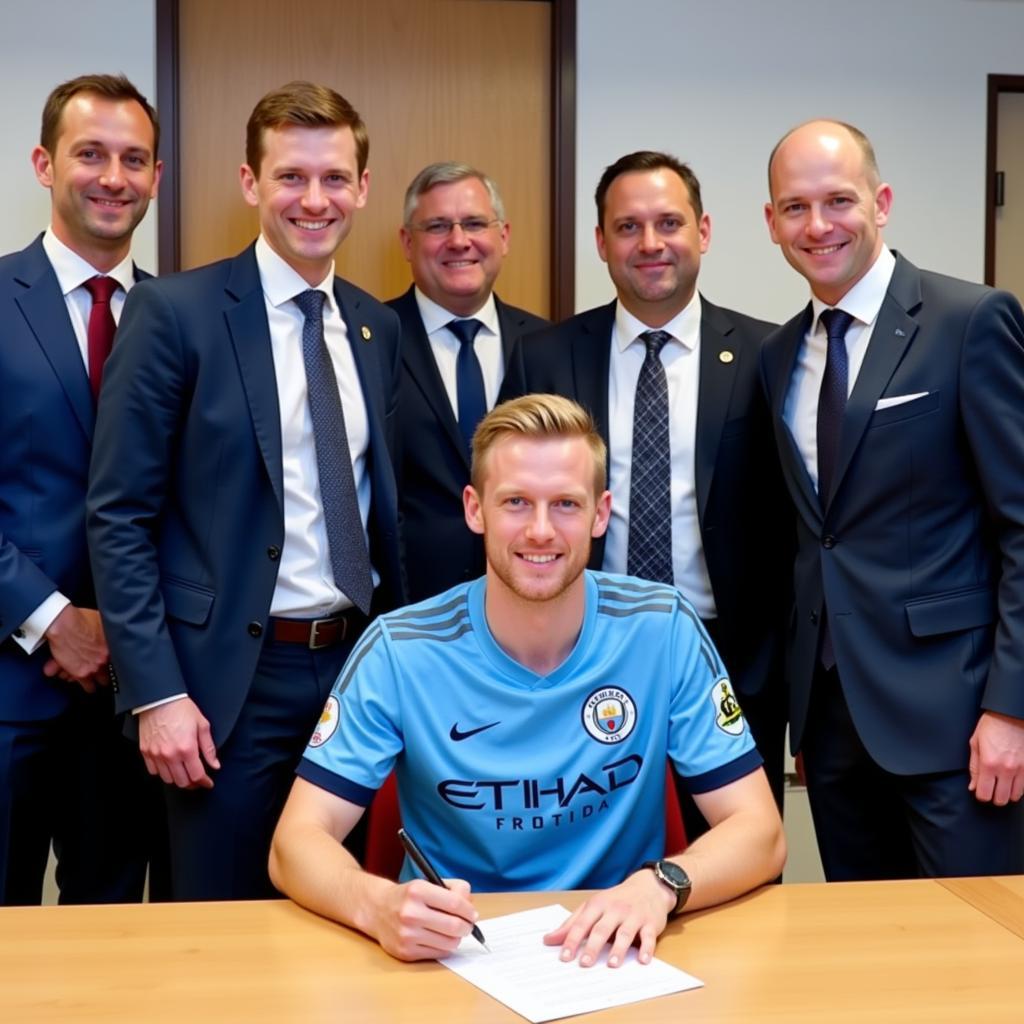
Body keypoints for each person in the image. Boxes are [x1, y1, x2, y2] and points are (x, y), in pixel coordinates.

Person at [270, 393, 785, 966]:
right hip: (452, 956)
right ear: (474, 509)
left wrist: (660, 885)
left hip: (613, 954)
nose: (541, 530)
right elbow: (295, 843)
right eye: (515, 502)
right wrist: (380, 905)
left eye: (565, 503)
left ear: (600, 512)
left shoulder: (662, 629)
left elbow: (760, 831)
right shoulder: (401, 649)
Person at [87, 81, 404, 901]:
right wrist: (155, 692)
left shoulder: (375, 326)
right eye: (291, 176)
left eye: (335, 178)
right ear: (250, 182)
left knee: (353, 914)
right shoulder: (174, 313)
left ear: (363, 189)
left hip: (355, 675)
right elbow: (118, 516)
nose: (314, 198)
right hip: (226, 685)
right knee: (222, 924)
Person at [761, 118, 1024, 880]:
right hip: (835, 727)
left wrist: (1010, 709)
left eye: (838, 200)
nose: (818, 225)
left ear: (881, 201)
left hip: (960, 723)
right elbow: (815, 539)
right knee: (868, 958)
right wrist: (803, 712)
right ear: (771, 222)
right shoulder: (781, 355)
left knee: (975, 965)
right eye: (795, 207)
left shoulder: (969, 321)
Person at [502, 151, 791, 841]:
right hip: (583, 653)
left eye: (669, 222)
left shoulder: (768, 354)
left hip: (731, 662)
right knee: (583, 850)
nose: (651, 243)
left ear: (705, 231)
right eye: (628, 227)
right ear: (601, 242)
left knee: (736, 863)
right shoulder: (546, 356)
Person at [0, 73, 166, 904]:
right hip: (9, 688)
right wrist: (52, 619)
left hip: (138, 700)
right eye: (90, 154)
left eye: (134, 159)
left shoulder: (184, 316)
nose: (113, 177)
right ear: (43, 162)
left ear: (156, 177)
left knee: (113, 936)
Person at [388, 162, 547, 602]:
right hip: (409, 613)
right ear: (407, 242)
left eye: (475, 223)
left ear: (504, 236)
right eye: (437, 226)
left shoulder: (548, 344)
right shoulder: (372, 340)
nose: (459, 241)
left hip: (529, 605)